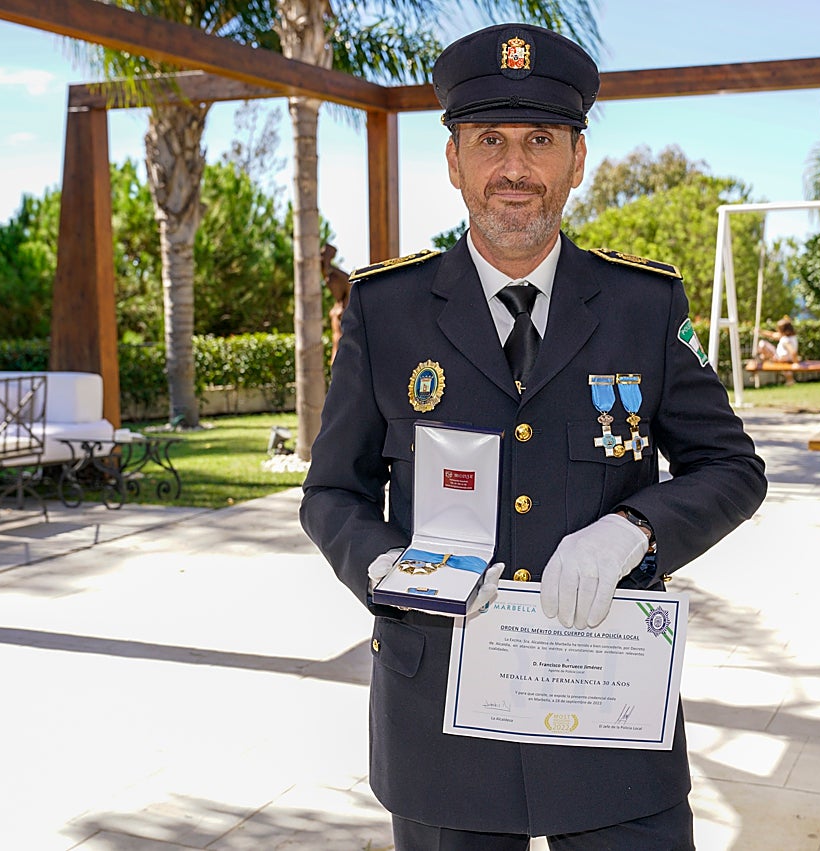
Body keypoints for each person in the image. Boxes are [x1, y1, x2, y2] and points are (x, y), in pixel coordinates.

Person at [300, 22, 767, 850]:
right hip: (442, 722)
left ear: (577, 160)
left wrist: (634, 531)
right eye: (489, 141)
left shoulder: (642, 305)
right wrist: (378, 564)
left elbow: (731, 466)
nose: (514, 169)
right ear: (454, 162)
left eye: (540, 140)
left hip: (611, 715)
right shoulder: (388, 308)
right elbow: (332, 490)